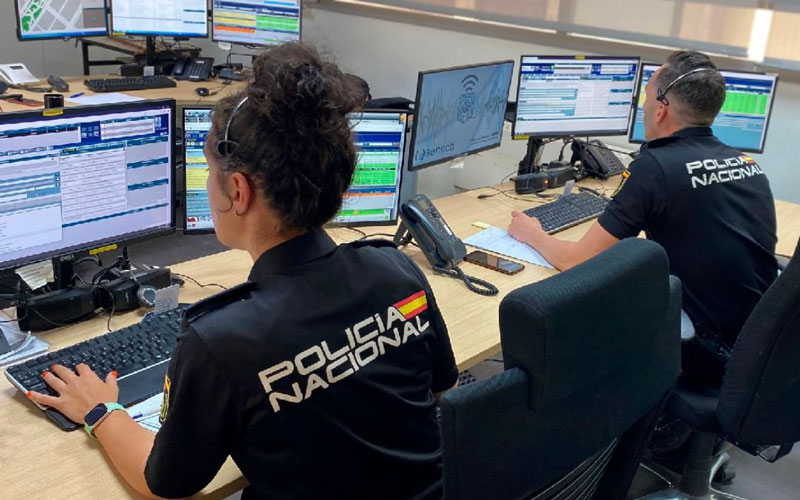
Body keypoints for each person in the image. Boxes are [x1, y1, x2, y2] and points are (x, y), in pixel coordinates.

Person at [29, 43, 458, 500]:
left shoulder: (222, 341)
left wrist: (99, 411)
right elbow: (437, 389)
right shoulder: (395, 269)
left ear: (237, 190)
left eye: (208, 171)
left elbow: (165, 484)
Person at [509, 50, 778, 385]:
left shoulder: (654, 168)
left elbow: (576, 262)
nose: (644, 106)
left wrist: (532, 233)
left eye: (647, 97)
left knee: (568, 305)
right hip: (760, 346)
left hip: (704, 351)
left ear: (661, 110)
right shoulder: (745, 163)